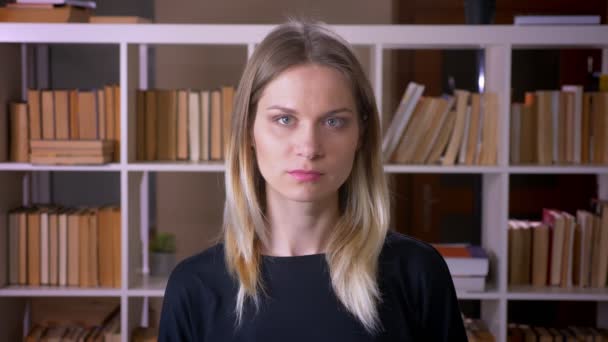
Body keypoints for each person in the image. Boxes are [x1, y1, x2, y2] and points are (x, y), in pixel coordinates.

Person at [159, 19, 468, 342]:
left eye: (334, 121)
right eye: (284, 119)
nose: (308, 147)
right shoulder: (194, 287)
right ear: (249, 130)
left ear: (360, 135)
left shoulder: (417, 273)